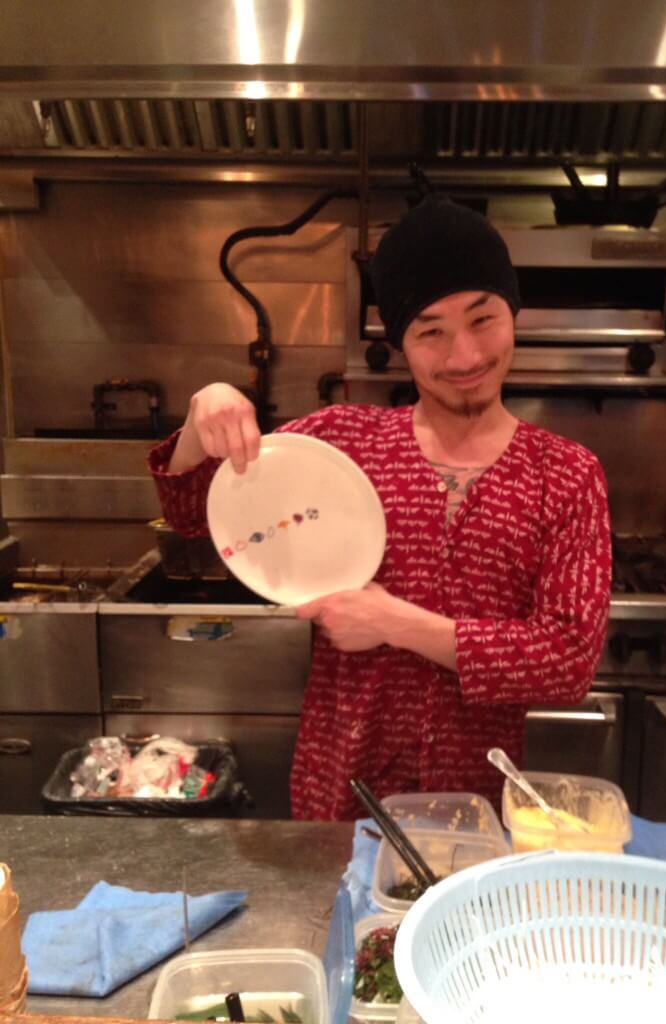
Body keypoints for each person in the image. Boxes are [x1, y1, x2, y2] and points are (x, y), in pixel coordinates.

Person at [149, 197, 612, 821]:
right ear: (401, 343)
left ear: (513, 313)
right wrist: (203, 417)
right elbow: (189, 509)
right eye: (431, 331)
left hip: (474, 811)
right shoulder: (343, 444)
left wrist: (395, 622)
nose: (465, 356)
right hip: (339, 798)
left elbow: (567, 662)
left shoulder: (566, 475)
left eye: (483, 319)